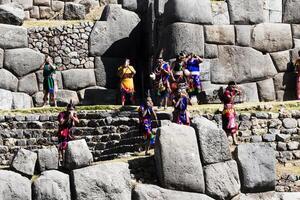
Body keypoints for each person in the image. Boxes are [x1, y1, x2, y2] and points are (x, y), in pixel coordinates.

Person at [57, 101, 79, 166]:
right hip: (63, 132)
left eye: (72, 109)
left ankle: (67, 161)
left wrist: (72, 117)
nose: (70, 110)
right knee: (62, 147)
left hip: (70, 133)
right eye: (69, 109)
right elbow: (61, 122)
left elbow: (77, 121)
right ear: (67, 109)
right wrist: (68, 117)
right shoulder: (62, 114)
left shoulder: (74, 114)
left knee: (69, 147)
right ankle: (61, 161)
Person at [221, 81, 241, 145]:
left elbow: (240, 93)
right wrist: (235, 94)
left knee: (232, 124)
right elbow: (230, 100)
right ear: (229, 86)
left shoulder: (231, 91)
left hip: (231, 108)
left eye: (234, 87)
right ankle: (232, 140)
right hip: (227, 109)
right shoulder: (226, 92)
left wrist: (237, 91)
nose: (233, 88)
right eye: (232, 87)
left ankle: (234, 140)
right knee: (230, 124)